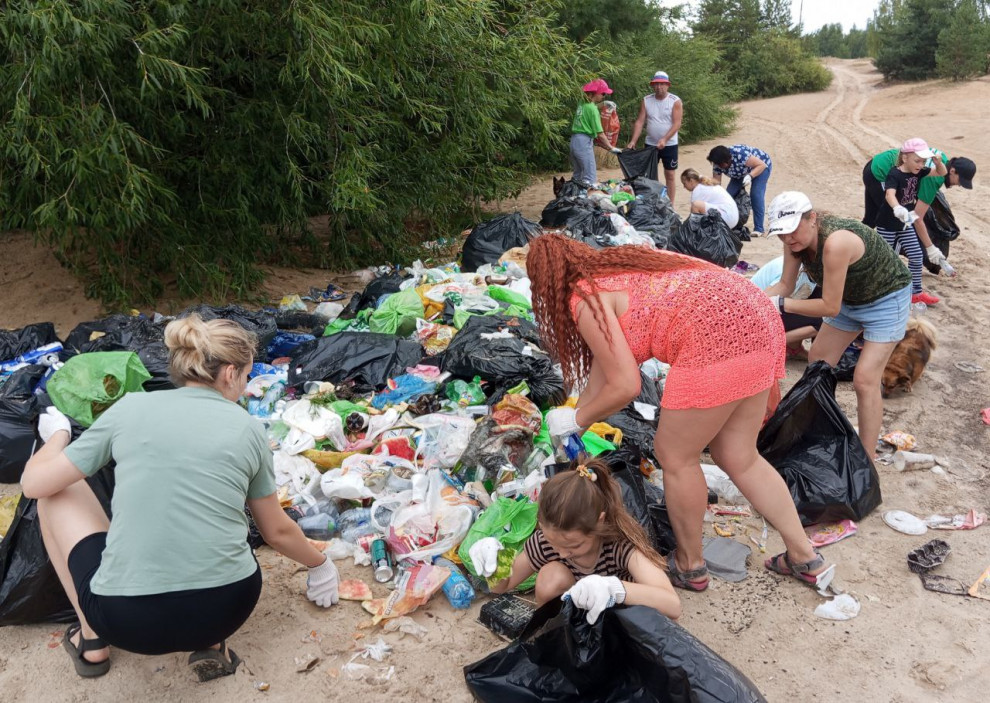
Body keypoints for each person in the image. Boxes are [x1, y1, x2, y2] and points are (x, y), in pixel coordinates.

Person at [21, 315, 339, 681]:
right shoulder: (248, 428)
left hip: (126, 620)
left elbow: (34, 485)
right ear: (229, 373)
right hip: (227, 609)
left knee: (59, 489)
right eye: (248, 376)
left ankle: (92, 641)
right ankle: (213, 643)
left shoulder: (130, 409)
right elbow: (275, 532)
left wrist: (58, 435)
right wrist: (320, 565)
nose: (247, 386)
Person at [525, 233, 833, 594]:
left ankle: (689, 565)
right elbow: (605, 371)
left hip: (714, 341)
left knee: (675, 456)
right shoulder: (621, 266)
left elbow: (626, 385)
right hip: (759, 322)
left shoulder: (584, 298)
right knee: (740, 457)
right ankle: (805, 556)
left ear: (544, 284)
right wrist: (579, 417)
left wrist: (575, 421)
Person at [764, 192, 912, 460]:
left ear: (812, 218)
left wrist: (782, 305)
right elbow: (785, 285)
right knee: (818, 362)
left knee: (865, 379)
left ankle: (866, 461)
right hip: (850, 298)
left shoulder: (836, 243)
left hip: (886, 300)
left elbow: (829, 307)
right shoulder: (793, 241)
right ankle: (819, 432)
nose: (787, 238)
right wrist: (754, 299)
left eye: (792, 230)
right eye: (781, 233)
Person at [469, 458, 681, 624]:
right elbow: (501, 587)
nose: (562, 553)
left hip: (622, 623)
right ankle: (552, 633)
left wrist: (613, 589)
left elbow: (672, 605)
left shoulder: (619, 544)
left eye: (574, 546)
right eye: (554, 544)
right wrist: (495, 565)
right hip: (577, 624)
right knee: (550, 575)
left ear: (600, 522)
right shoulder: (545, 542)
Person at [862, 145, 976, 272]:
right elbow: (917, 218)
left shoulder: (941, 159)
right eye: (961, 181)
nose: (959, 185)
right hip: (880, 173)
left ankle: (854, 252)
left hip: (875, 164)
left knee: (870, 221)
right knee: (893, 224)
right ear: (953, 171)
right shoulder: (934, 178)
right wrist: (931, 248)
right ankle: (880, 264)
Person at [873, 138, 947, 306]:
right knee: (884, 258)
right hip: (887, 224)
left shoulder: (919, 172)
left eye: (923, 161)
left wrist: (938, 162)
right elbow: (889, 194)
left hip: (905, 223)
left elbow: (941, 172)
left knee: (916, 255)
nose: (920, 165)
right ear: (905, 157)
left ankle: (916, 293)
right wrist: (897, 208)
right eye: (917, 160)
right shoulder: (895, 173)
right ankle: (878, 292)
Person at [626, 71, 683, 205]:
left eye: (662, 84)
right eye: (656, 84)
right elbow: (640, 122)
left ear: (667, 85)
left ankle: (670, 205)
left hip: (670, 144)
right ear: (652, 85)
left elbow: (677, 124)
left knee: (670, 175)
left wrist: (665, 139)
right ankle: (651, 203)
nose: (659, 87)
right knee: (649, 175)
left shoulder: (675, 101)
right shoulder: (647, 100)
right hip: (650, 144)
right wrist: (633, 141)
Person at [751, 256, 823, 359]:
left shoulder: (806, 267)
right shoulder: (794, 272)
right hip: (757, 319)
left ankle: (794, 347)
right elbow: (762, 302)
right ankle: (768, 344)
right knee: (826, 320)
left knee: (821, 299)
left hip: (771, 312)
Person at [707, 144, 772, 235]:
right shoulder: (717, 163)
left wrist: (750, 176)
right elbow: (717, 183)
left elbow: (761, 165)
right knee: (728, 196)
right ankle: (728, 224)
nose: (719, 167)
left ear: (728, 160)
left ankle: (759, 228)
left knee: (756, 194)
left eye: (721, 165)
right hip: (738, 174)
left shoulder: (740, 154)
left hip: (761, 167)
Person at [571, 78, 622, 189]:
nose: (604, 96)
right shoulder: (593, 111)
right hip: (584, 142)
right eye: (603, 93)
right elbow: (600, 134)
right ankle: (585, 201)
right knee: (590, 176)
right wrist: (611, 147)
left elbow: (591, 106)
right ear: (596, 93)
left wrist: (603, 104)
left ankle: (573, 198)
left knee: (578, 175)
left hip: (574, 141)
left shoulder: (582, 102)